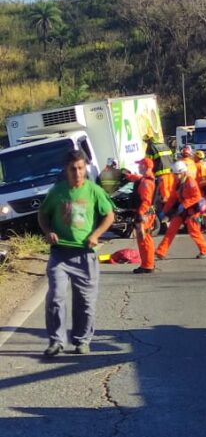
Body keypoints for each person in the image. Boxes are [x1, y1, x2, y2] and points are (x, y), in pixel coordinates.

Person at [36, 149, 115, 356]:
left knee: (85, 302)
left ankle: (82, 340)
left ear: (85, 168)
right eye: (73, 169)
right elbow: (42, 214)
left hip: (85, 254)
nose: (77, 173)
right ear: (66, 169)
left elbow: (109, 215)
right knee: (55, 297)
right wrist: (48, 231)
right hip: (60, 254)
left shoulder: (94, 191)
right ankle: (56, 341)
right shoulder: (57, 191)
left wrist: (96, 234)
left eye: (81, 168)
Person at [155, 161, 206, 260]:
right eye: (175, 174)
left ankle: (205, 250)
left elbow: (196, 196)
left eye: (177, 174)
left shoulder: (190, 182)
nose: (176, 176)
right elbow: (172, 198)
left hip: (192, 211)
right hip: (182, 210)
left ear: (183, 172)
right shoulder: (177, 183)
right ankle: (161, 251)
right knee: (170, 230)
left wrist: (184, 205)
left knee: (194, 232)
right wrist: (164, 211)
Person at [129, 157, 157, 274]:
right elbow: (139, 179)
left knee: (144, 239)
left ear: (145, 167)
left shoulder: (146, 183)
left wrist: (140, 215)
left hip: (144, 214)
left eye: (140, 165)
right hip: (145, 213)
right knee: (145, 239)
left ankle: (147, 265)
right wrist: (129, 176)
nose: (138, 167)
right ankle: (147, 264)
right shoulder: (146, 179)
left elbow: (146, 201)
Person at [144, 135, 175, 206]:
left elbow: (148, 162)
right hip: (170, 172)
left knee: (164, 194)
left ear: (149, 141)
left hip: (161, 173)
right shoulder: (165, 145)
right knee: (170, 190)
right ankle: (172, 207)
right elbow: (172, 157)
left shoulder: (151, 147)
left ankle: (166, 210)